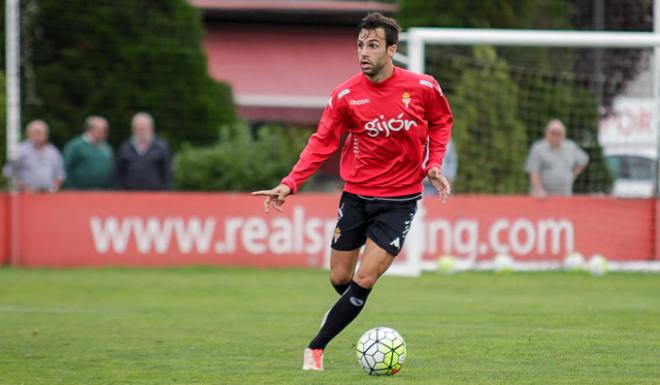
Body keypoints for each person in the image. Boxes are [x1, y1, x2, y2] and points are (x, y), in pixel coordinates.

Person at [252, 12, 452, 371]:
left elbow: (441, 121)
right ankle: (354, 314)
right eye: (360, 45)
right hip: (357, 196)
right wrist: (289, 183)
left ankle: (315, 349)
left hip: (400, 202)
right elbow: (321, 142)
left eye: (373, 45)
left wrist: (434, 163)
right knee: (340, 278)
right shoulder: (345, 95)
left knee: (364, 277)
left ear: (392, 49)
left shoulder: (423, 88)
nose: (364, 52)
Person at [525, 119, 589, 197]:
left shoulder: (571, 147)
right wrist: (539, 190)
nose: (556, 136)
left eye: (558, 133)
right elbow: (533, 171)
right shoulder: (538, 148)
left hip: (565, 195)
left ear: (564, 134)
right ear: (546, 134)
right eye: (553, 133)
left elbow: (584, 159)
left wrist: (573, 174)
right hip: (543, 197)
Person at [3, 120, 65, 192]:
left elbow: (60, 174)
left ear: (46, 134)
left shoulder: (53, 151)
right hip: (25, 195)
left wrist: (54, 188)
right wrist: (22, 187)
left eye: (39, 132)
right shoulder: (19, 150)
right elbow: (8, 172)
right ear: (28, 134)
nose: (37, 135)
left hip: (48, 195)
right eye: (34, 132)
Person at [117, 112, 172, 190]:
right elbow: (119, 173)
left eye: (144, 128)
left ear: (151, 128)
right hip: (130, 194)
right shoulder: (125, 147)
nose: (141, 131)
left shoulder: (161, 147)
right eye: (138, 128)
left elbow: (167, 173)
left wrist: (165, 191)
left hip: (154, 194)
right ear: (133, 129)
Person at [63, 116, 115, 190]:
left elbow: (111, 169)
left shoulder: (107, 148)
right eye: (101, 130)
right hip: (79, 193)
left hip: (101, 193)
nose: (104, 133)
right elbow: (66, 169)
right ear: (90, 130)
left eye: (105, 130)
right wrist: (71, 189)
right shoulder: (75, 146)